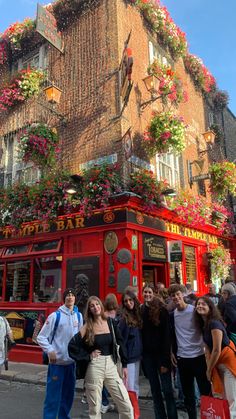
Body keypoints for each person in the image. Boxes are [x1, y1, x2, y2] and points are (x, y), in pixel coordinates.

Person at [68, 296, 133, 419]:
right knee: (95, 408)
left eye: (97, 304)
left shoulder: (111, 322)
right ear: (89, 310)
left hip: (111, 365)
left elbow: (121, 342)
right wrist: (88, 356)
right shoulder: (88, 327)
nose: (95, 307)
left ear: (101, 305)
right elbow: (72, 346)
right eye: (92, 306)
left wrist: (124, 365)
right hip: (94, 366)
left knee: (126, 404)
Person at [37, 288, 83, 419]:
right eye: (67, 295)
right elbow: (41, 337)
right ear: (64, 299)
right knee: (53, 397)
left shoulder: (79, 316)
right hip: (57, 364)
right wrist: (50, 350)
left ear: (75, 298)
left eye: (72, 295)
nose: (70, 297)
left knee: (68, 396)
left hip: (71, 364)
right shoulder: (55, 316)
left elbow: (79, 338)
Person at [168, 284, 211, 419]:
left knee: (205, 391)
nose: (176, 297)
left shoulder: (194, 311)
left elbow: (206, 328)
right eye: (173, 295)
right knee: (188, 395)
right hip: (182, 358)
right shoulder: (172, 315)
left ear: (183, 294)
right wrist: (171, 353)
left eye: (178, 294)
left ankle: (208, 415)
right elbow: (171, 335)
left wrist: (207, 350)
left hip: (198, 356)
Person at [194, 296, 236, 417]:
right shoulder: (204, 323)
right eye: (198, 304)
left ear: (210, 307)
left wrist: (209, 369)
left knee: (232, 399)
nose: (200, 306)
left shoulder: (214, 323)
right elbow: (207, 349)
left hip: (228, 363)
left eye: (203, 304)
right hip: (218, 363)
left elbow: (217, 349)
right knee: (223, 397)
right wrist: (210, 368)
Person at [141, 284, 178, 419]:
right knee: (155, 391)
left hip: (161, 357)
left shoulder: (162, 310)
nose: (147, 295)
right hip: (148, 357)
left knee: (167, 391)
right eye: (145, 292)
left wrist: (165, 361)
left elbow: (166, 336)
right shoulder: (142, 310)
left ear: (154, 293)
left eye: (149, 292)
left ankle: (172, 416)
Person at [119, 290, 142, 397]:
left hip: (137, 356)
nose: (128, 303)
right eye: (125, 301)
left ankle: (134, 411)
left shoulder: (136, 314)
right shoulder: (124, 319)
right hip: (129, 358)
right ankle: (129, 411)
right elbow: (121, 342)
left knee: (135, 385)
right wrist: (124, 364)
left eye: (130, 300)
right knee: (129, 387)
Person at [101, 293, 120, 413]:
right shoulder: (118, 316)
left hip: (106, 350)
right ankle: (114, 401)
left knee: (104, 379)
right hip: (115, 351)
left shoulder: (103, 315)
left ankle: (104, 402)